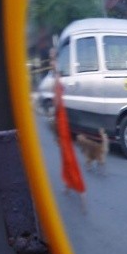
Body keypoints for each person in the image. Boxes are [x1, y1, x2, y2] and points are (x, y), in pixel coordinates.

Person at [51, 49, 87, 212]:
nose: (50, 61)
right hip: (61, 119)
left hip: (61, 119)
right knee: (65, 154)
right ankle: (68, 183)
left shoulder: (57, 77)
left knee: (67, 154)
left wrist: (53, 112)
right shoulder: (57, 77)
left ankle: (79, 188)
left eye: (52, 59)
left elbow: (58, 102)